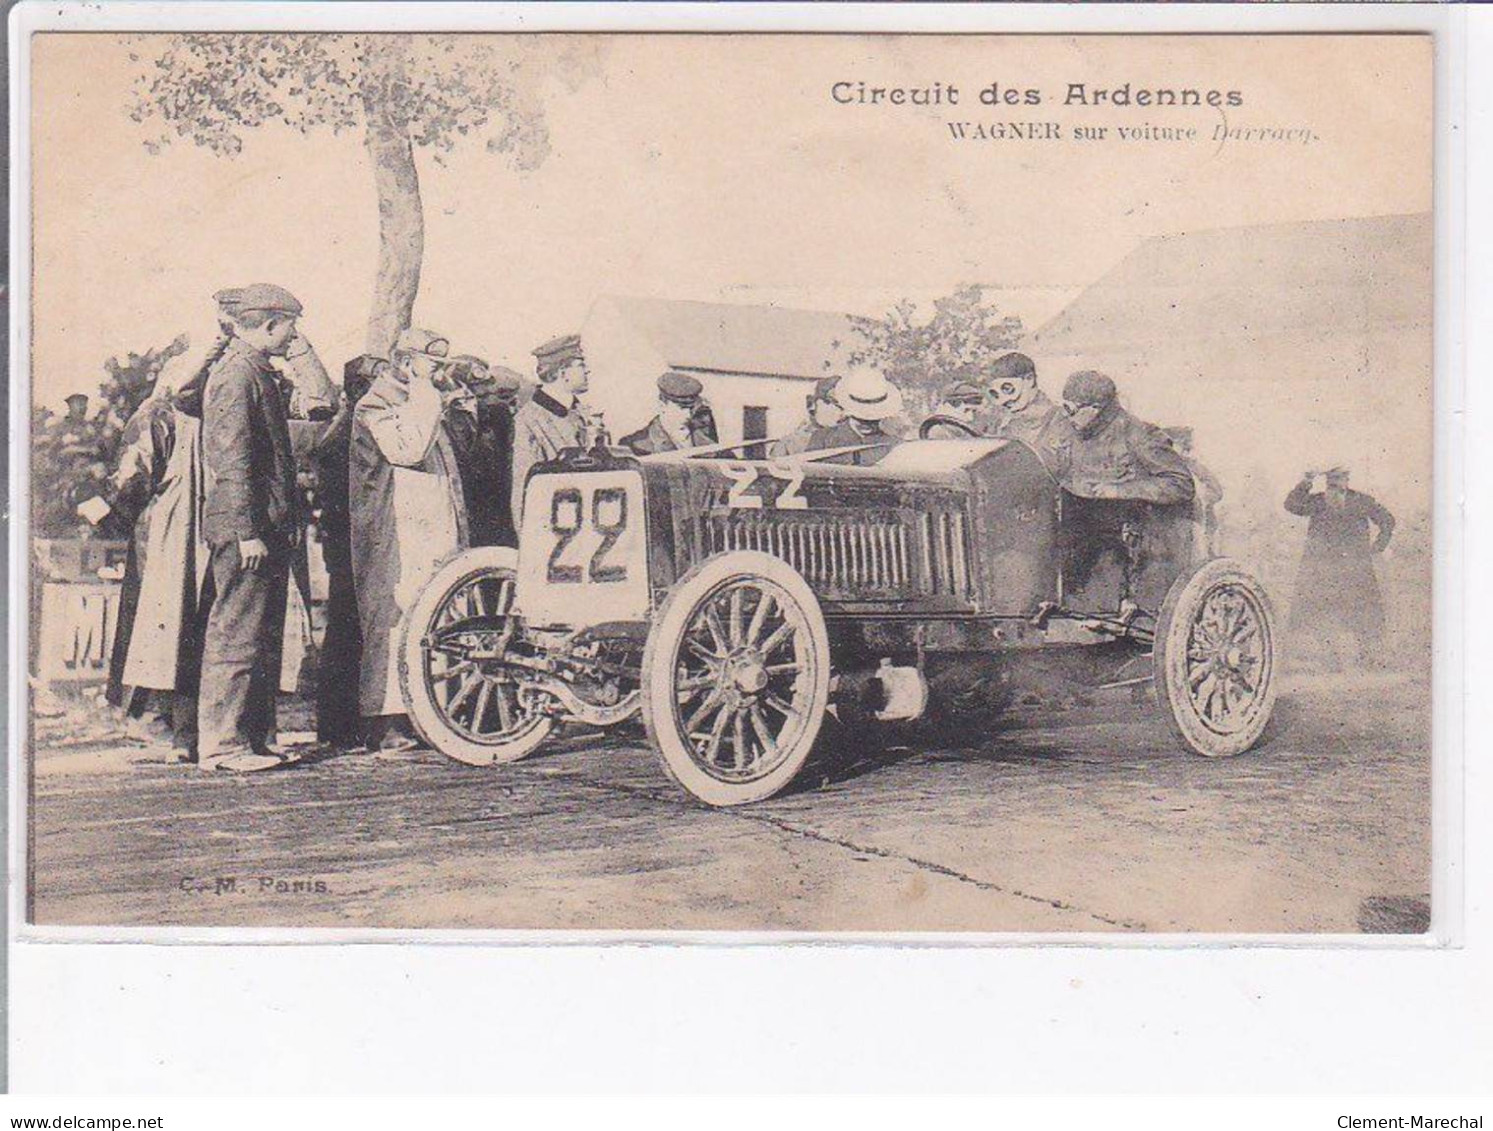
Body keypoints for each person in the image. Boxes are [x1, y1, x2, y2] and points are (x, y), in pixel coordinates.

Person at [196, 284, 310, 773]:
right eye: (290, 325)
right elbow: (232, 459)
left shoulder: (253, 370)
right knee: (236, 635)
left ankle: (255, 739)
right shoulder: (237, 375)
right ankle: (223, 746)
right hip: (248, 527)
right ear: (268, 324)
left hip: (265, 525)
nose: (294, 335)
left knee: (260, 636)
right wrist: (246, 531)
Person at [349, 328, 472, 753]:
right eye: (432, 366)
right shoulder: (375, 404)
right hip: (395, 534)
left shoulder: (420, 401)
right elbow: (408, 449)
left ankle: (423, 713)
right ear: (405, 363)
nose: (440, 374)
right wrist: (428, 394)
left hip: (429, 533)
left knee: (430, 621)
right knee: (394, 621)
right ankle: (385, 721)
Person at [1057, 369, 1195, 615]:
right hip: (1087, 537)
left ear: (1095, 407)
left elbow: (1181, 484)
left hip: (1137, 539)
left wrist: (1119, 490)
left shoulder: (1138, 434)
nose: (1066, 416)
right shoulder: (1072, 433)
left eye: (1071, 409)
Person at [309, 354, 384, 749]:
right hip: (348, 544)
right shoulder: (346, 433)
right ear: (357, 389)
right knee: (346, 629)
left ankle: (343, 724)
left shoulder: (348, 429)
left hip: (350, 541)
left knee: (349, 628)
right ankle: (339, 724)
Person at [1284, 467, 1395, 666]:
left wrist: (1378, 547)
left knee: (1362, 613)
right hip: (1324, 569)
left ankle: (1368, 656)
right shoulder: (1318, 501)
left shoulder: (1362, 501)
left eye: (1339, 481)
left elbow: (1387, 521)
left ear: (1347, 480)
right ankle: (1330, 657)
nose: (1334, 487)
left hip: (1355, 568)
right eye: (1330, 483)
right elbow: (1291, 505)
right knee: (1322, 612)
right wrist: (1306, 482)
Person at [511, 333, 593, 528]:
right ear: (562, 371)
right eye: (581, 365)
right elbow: (524, 490)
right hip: (555, 529)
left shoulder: (579, 413)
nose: (587, 371)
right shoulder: (529, 420)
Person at [445, 356, 522, 548]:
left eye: (488, 394)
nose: (484, 402)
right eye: (479, 396)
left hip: (499, 507)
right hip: (469, 508)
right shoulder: (451, 418)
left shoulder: (500, 417)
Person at [979, 351, 1074, 477]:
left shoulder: (1062, 421)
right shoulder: (1000, 424)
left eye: (1007, 389)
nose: (1004, 400)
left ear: (1029, 380)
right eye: (995, 393)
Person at [805, 367, 904, 464]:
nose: (867, 422)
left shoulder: (895, 446)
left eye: (874, 418)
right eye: (860, 416)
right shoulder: (822, 440)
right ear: (846, 408)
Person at [620, 371, 716, 455]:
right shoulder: (635, 445)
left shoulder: (707, 438)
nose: (688, 414)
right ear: (662, 406)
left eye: (691, 408)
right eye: (682, 408)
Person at [769, 375, 842, 458]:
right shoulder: (787, 445)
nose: (842, 411)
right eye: (834, 403)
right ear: (811, 404)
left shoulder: (850, 441)